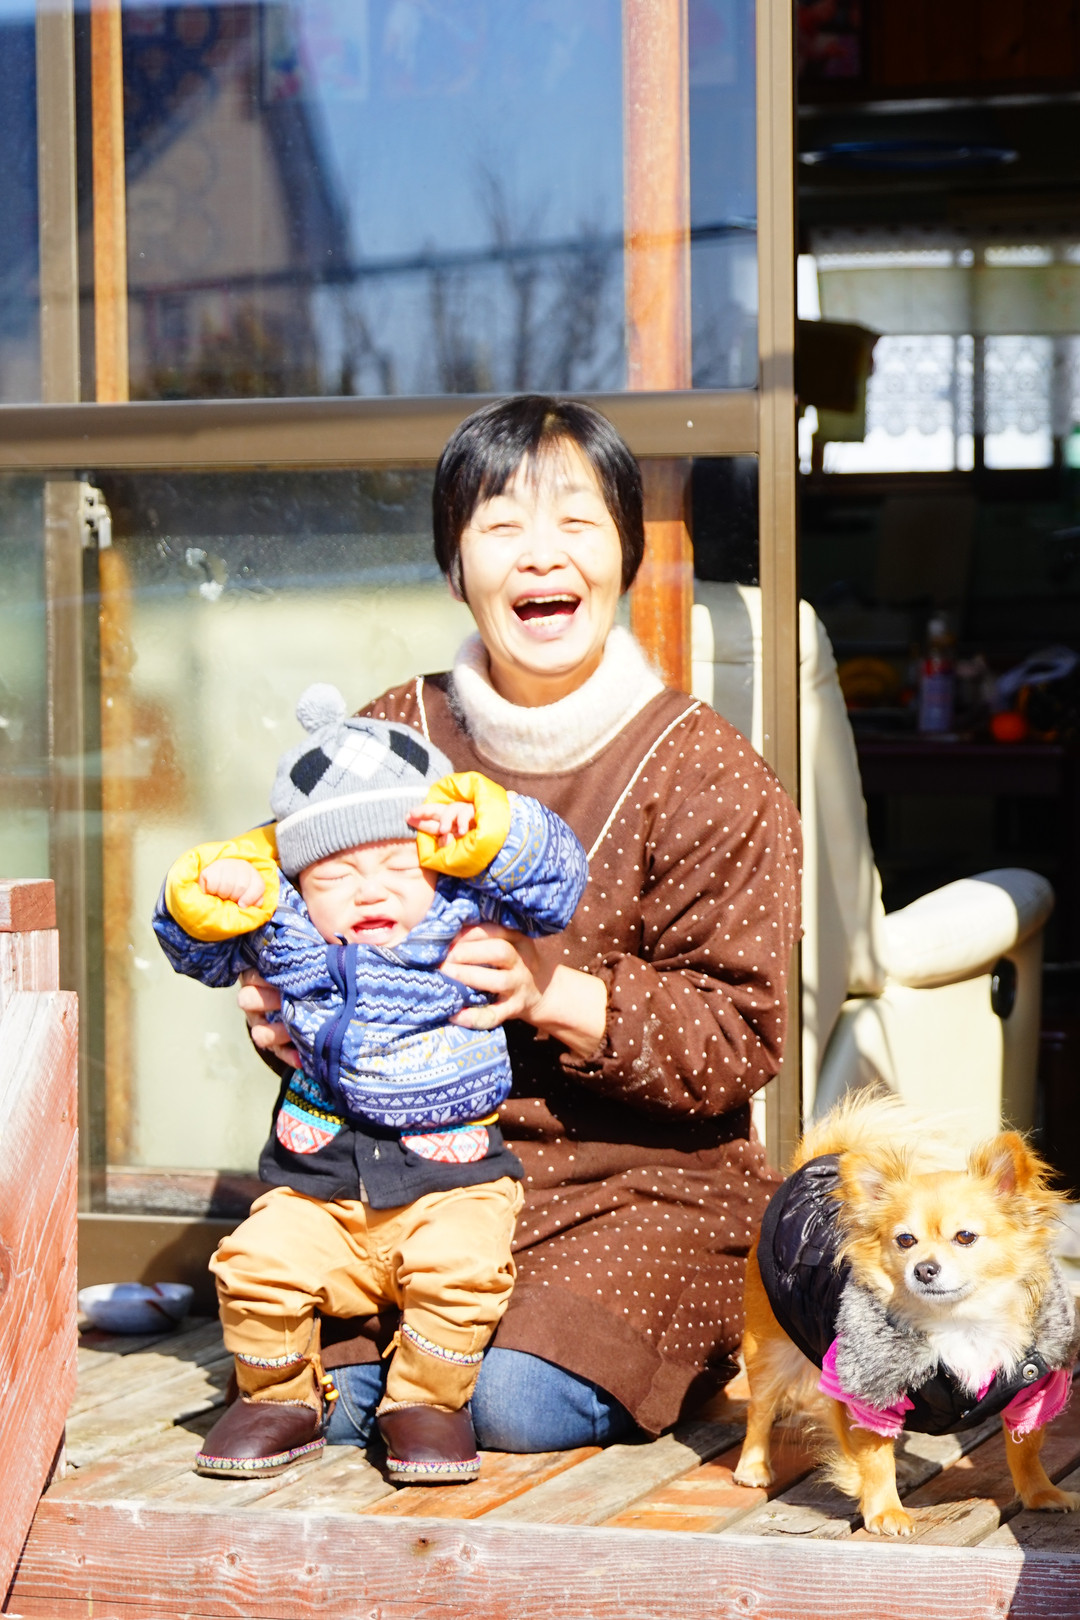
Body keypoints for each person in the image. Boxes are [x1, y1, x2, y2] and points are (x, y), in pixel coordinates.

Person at [240, 393, 803, 1457]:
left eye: (577, 523)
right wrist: (277, 1000)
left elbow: (743, 1035)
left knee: (506, 1403)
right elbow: (286, 912)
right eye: (502, 527)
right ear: (457, 567)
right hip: (401, 1172)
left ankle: (663, 1349)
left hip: (633, 1184)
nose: (542, 555)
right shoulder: (389, 736)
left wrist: (552, 992)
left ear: (627, 554)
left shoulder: (709, 769)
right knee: (336, 1396)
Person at [153, 694, 587, 1481]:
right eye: (336, 874)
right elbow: (192, 948)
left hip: (451, 1184)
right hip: (321, 1189)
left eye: (398, 867)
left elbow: (556, 879)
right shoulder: (284, 932)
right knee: (254, 1266)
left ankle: (426, 1403)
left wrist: (492, 829)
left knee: (461, 1273)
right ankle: (278, 1399)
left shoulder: (463, 912)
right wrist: (215, 887)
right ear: (298, 885)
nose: (371, 891)